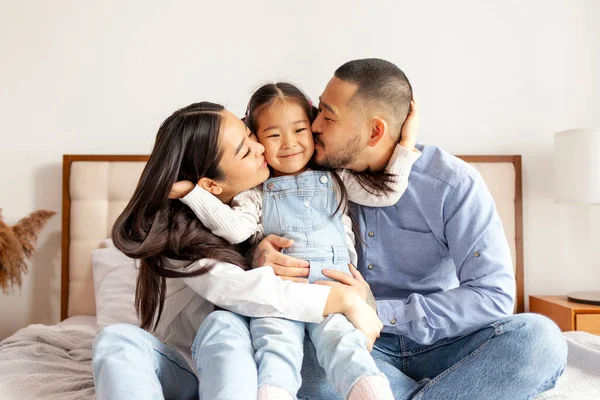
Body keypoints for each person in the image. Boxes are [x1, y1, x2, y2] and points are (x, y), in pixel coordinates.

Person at [246, 59, 568, 399]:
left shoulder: (451, 183)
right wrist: (254, 253)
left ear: (375, 132)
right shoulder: (299, 171)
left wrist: (374, 309)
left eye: (328, 116)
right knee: (288, 356)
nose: (312, 126)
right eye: (316, 111)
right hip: (350, 342)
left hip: (445, 345)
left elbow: (493, 295)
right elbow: (236, 151)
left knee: (541, 341)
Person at [91, 101, 383, 400]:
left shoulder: (274, 204)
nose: (260, 149)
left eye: (250, 135)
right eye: (244, 150)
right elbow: (237, 289)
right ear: (211, 185)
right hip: (191, 367)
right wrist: (343, 299)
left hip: (270, 359)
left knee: (226, 325)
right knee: (117, 339)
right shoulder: (183, 236)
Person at [169, 82, 420, 399]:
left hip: (334, 285)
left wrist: (406, 142)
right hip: (280, 292)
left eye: (299, 130)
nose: (288, 144)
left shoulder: (335, 176)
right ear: (258, 138)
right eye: (272, 136)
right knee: (274, 344)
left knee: (343, 343)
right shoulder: (256, 192)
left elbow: (384, 193)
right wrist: (194, 194)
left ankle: (369, 391)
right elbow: (235, 230)